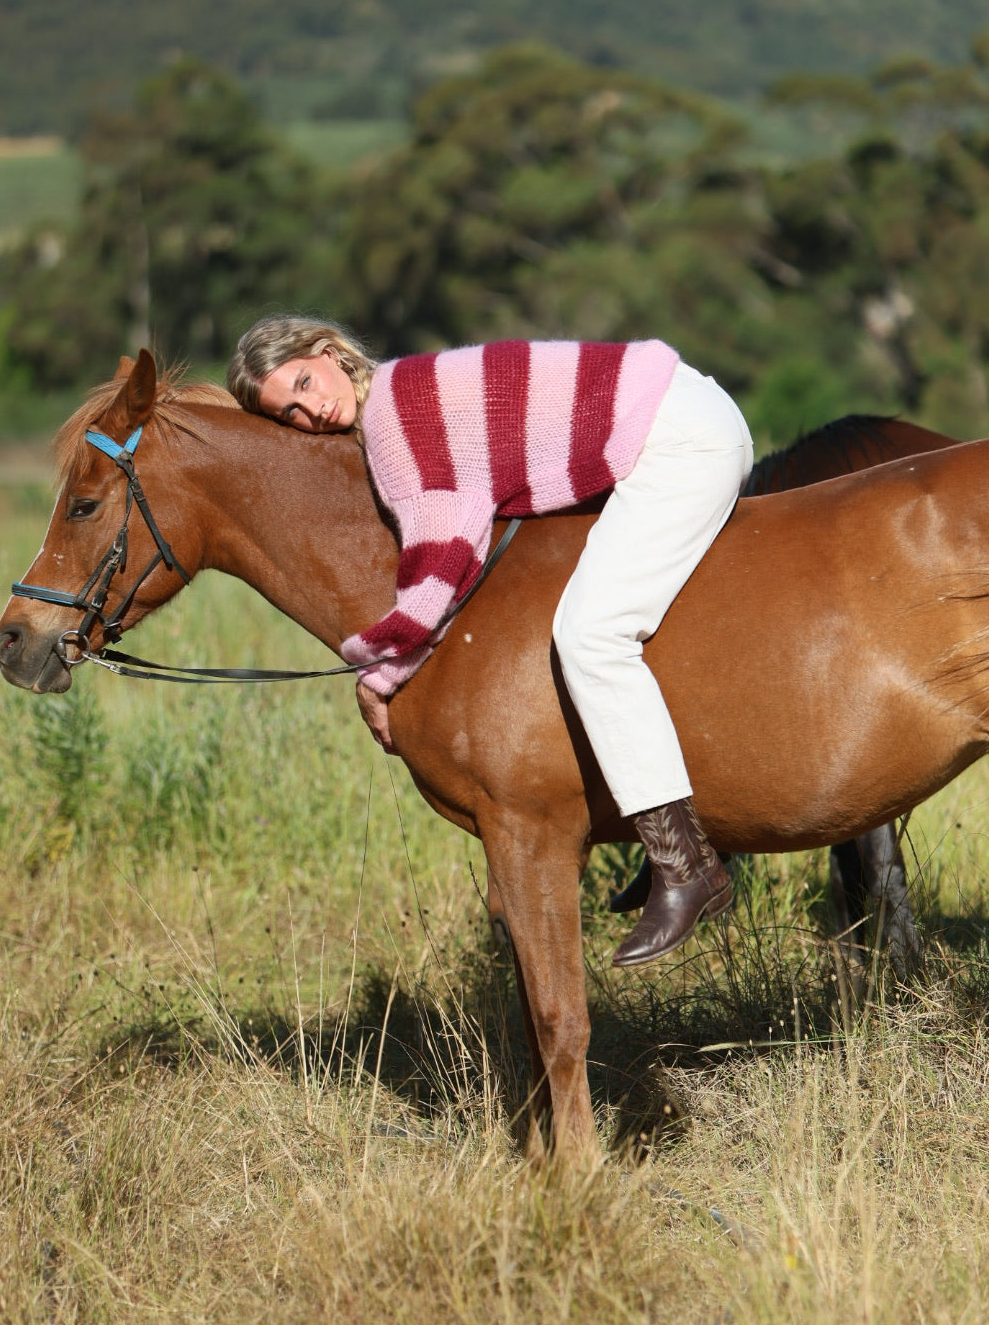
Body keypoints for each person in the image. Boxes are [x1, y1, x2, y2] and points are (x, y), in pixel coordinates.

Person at [227, 317, 753, 967]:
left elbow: (446, 556)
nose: (313, 409)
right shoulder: (397, 396)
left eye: (306, 382)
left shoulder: (392, 421)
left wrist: (379, 672)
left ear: (331, 354)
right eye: (292, 412)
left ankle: (688, 865)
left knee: (589, 636)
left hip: (679, 439)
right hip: (671, 411)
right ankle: (663, 836)